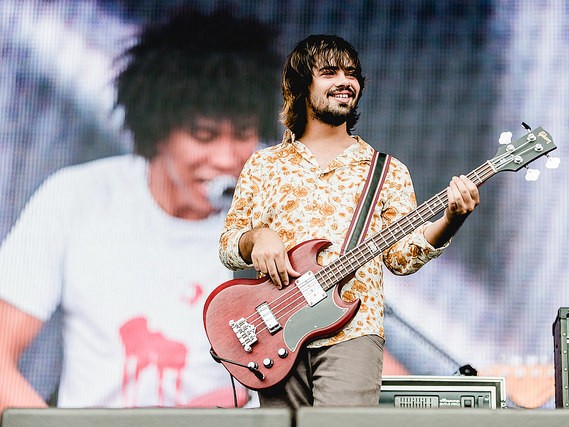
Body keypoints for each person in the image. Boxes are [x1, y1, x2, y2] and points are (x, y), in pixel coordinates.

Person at [0, 8, 280, 411]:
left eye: (242, 134)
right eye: (203, 135)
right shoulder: (75, 198)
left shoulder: (278, 221)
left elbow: (363, 367)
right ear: (157, 129)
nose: (225, 157)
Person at [218, 34, 480, 408]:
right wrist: (256, 238)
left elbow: (401, 259)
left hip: (354, 331)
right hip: (276, 330)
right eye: (329, 72)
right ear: (300, 86)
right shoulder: (265, 165)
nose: (345, 81)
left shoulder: (387, 171)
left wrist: (451, 220)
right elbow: (229, 245)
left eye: (352, 73)